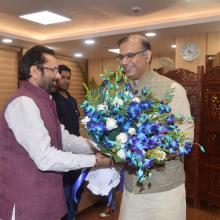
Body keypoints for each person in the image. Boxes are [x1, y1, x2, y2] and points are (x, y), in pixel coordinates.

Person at [0, 45, 111, 220]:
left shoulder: (46, 100)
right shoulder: (23, 103)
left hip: (46, 201)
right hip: (27, 205)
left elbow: (65, 140)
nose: (58, 76)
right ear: (35, 71)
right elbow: (45, 158)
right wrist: (93, 160)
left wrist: (102, 145)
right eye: (54, 70)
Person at [117, 34, 194, 220]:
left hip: (164, 192)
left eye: (130, 55)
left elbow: (185, 139)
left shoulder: (173, 90)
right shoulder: (120, 93)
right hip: (131, 189)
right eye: (121, 57)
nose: (124, 62)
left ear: (147, 55)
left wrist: (146, 153)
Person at [52, 64, 84, 220]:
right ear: (56, 77)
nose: (66, 81)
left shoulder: (72, 100)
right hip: (63, 155)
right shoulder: (52, 100)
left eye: (68, 78)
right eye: (63, 77)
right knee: (64, 196)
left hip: (77, 153)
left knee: (77, 192)